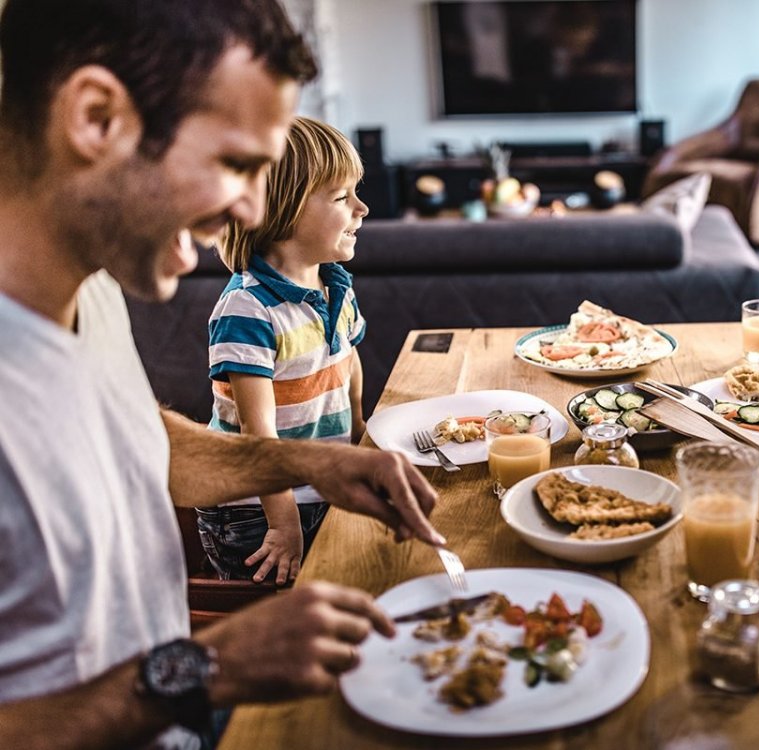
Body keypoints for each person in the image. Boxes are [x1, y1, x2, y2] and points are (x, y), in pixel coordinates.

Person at [0, 2, 444, 748]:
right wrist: (204, 669)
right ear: (97, 118)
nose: (248, 205)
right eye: (236, 163)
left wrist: (305, 459)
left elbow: (132, 445)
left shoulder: (95, 288)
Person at [200, 117, 370, 584]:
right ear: (283, 210)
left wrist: (358, 433)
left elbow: (346, 360)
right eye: (342, 197)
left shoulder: (334, 284)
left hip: (317, 487)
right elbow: (260, 434)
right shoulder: (248, 308)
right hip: (256, 511)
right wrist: (283, 522)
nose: (363, 208)